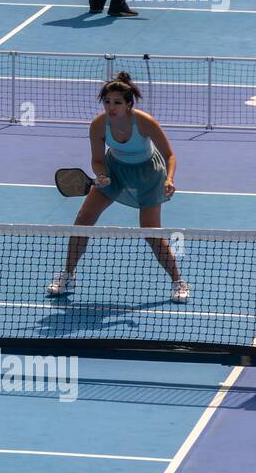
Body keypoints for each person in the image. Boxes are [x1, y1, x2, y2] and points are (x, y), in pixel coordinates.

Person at [47, 73, 188, 304]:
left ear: (129, 104)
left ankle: (178, 281)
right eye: (107, 102)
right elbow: (97, 160)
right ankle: (68, 275)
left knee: (150, 233)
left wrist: (169, 179)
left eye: (117, 102)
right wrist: (100, 175)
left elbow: (170, 155)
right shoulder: (99, 125)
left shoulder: (144, 122)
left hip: (148, 174)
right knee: (83, 221)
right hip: (114, 170)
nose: (111, 107)